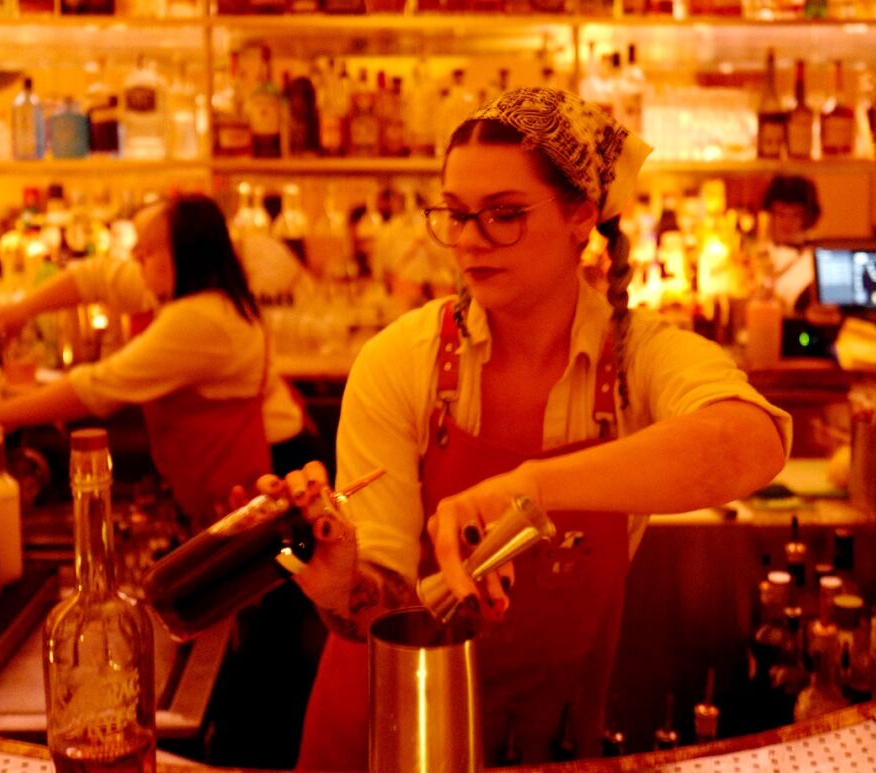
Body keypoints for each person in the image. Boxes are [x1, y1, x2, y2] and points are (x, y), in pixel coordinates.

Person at [263, 88, 790, 768]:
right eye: (455, 216)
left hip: (546, 733)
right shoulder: (401, 361)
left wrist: (532, 489)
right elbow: (383, 607)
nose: (469, 243)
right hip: (391, 728)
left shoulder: (638, 358)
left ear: (582, 216)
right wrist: (339, 586)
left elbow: (753, 440)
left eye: (504, 215)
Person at [0, 193, 325, 767]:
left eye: (150, 250)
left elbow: (101, 387)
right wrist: (17, 312)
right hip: (247, 470)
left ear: (186, 254)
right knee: (248, 628)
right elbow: (96, 276)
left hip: (275, 470)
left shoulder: (198, 317)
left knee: (268, 647)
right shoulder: (179, 289)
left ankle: (257, 757)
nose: (138, 261)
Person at [760, 174, 822, 312]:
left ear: (807, 218)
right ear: (770, 216)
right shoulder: (757, 254)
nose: (787, 223)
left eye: (795, 215)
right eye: (781, 214)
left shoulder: (815, 258)